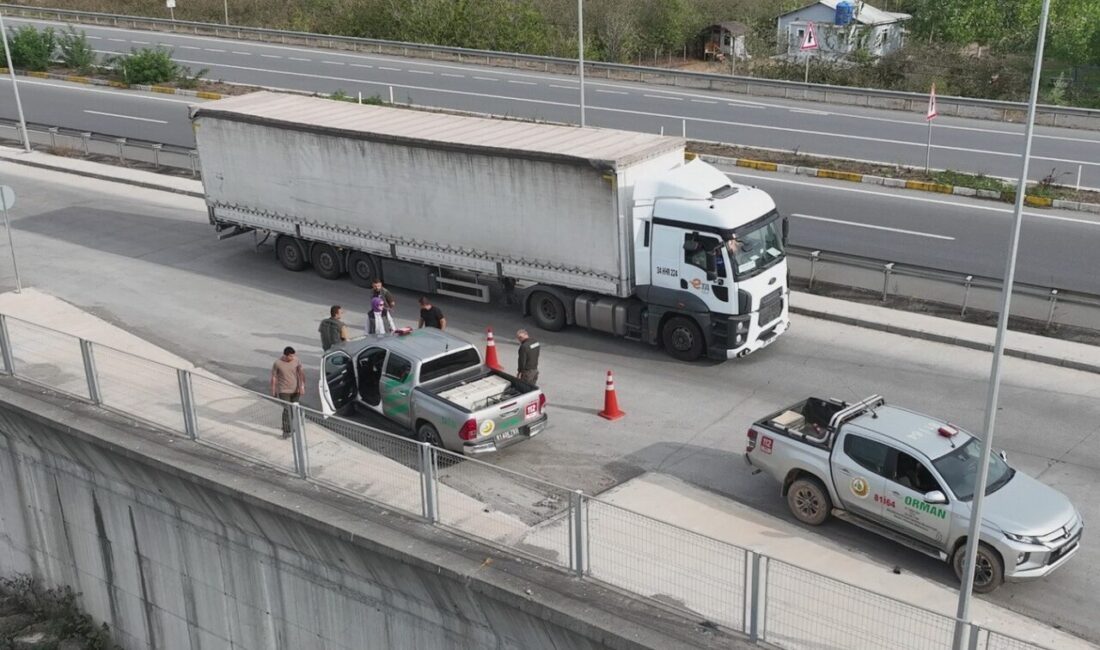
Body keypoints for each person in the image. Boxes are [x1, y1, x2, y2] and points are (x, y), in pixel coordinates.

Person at [271, 346, 305, 439]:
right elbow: (274, 377)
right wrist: (273, 390)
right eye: (290, 356)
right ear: (285, 355)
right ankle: (286, 431)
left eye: (293, 356)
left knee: (293, 410)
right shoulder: (277, 363)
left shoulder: (296, 360)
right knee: (287, 410)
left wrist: (302, 386)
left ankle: (290, 427)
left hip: (296, 390)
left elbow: (300, 373)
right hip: (283, 391)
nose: (292, 358)